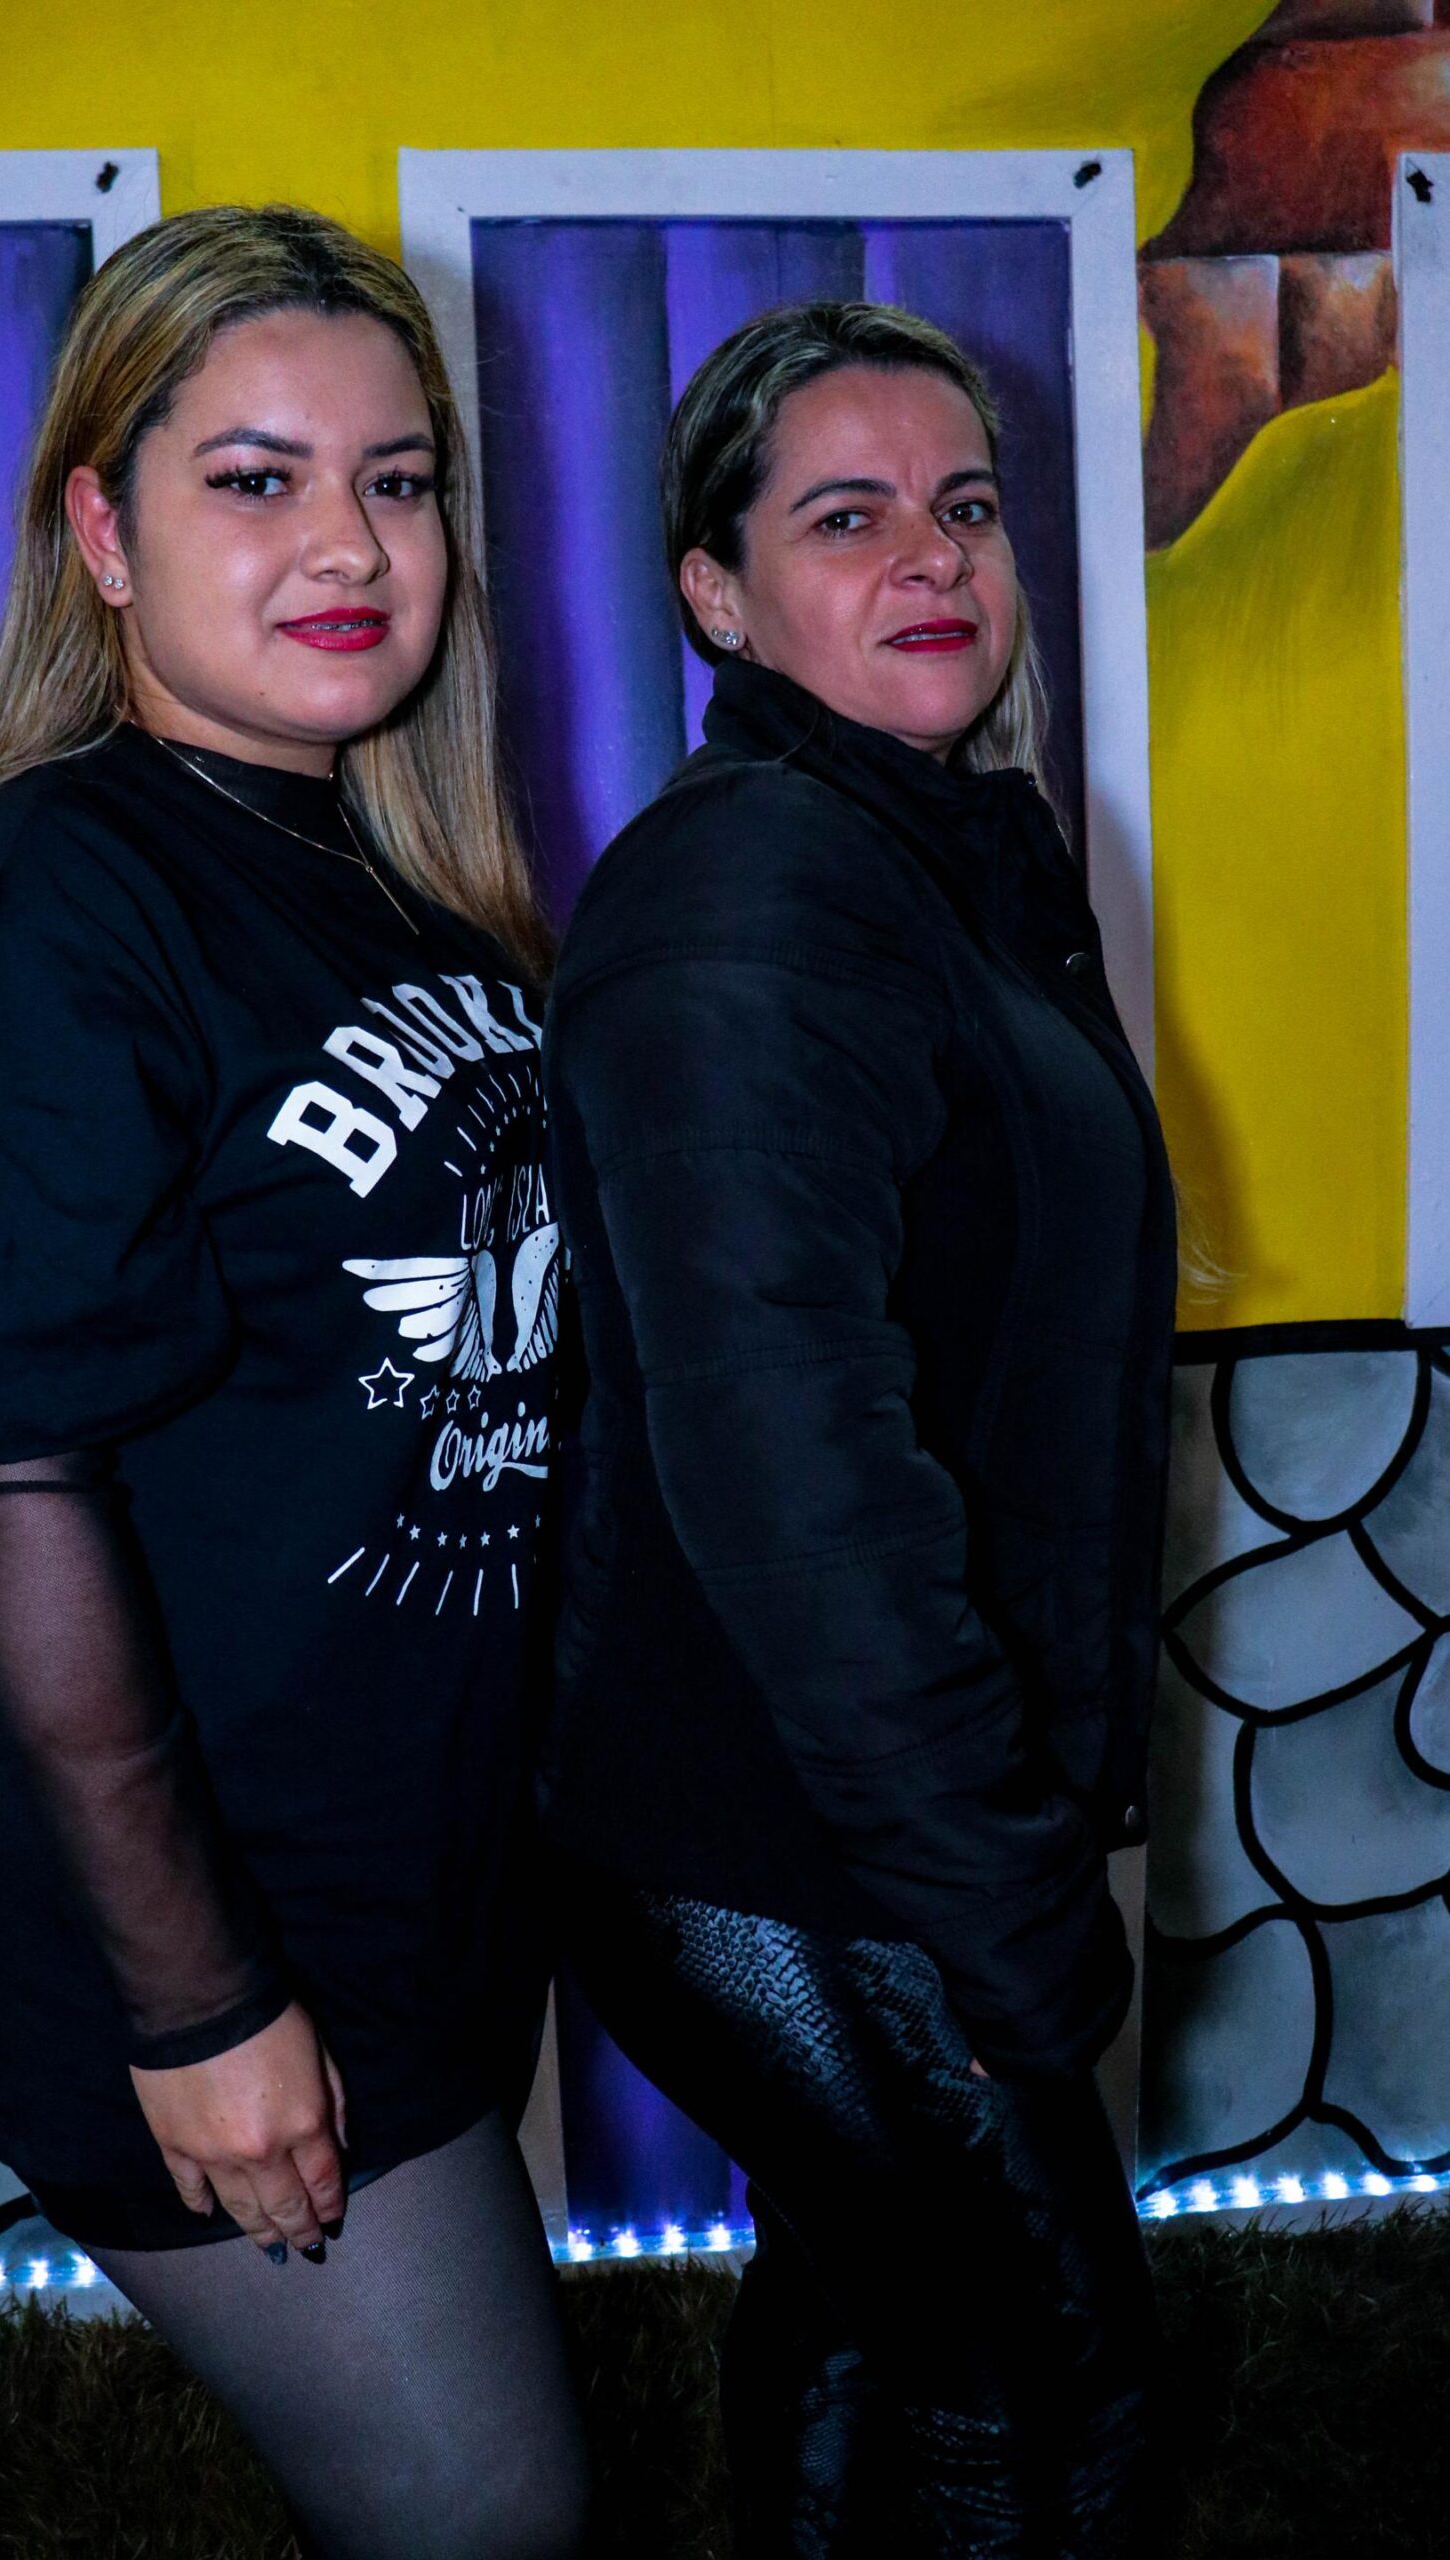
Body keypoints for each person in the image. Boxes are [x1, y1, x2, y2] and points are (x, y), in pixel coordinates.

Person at [0, 204, 588, 2560]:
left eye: (397, 479)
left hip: (416, 1868)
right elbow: (15, 1484)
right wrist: (198, 2003)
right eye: (254, 479)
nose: (349, 542)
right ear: (101, 531)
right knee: (490, 2518)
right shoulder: (19, 915)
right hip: (205, 1918)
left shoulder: (410, 900)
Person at [543, 300, 1176, 2555]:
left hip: (834, 1820)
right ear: (713, 596)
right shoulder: (756, 892)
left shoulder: (921, 853)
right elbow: (789, 1461)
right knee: (1043, 2393)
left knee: (865, 2318)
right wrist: (988, 1895)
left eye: (965, 506)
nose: (933, 556)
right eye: (844, 517)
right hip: (795, 1847)